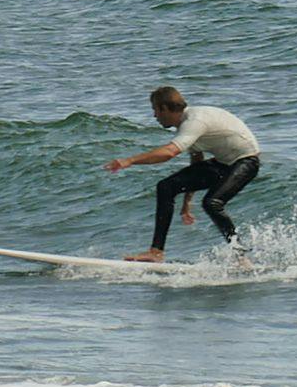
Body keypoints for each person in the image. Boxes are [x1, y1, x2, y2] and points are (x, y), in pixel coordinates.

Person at [105, 86, 262, 263]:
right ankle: (156, 252)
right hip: (223, 163)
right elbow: (196, 162)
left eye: (155, 110)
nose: (154, 116)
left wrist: (129, 161)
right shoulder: (186, 125)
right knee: (166, 186)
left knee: (212, 203)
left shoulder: (194, 122)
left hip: (246, 161)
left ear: (164, 108)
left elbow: (169, 152)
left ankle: (241, 256)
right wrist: (187, 202)